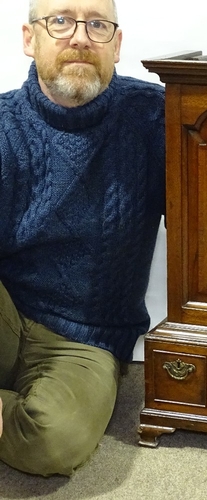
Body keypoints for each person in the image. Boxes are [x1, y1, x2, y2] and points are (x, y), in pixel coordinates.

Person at [0, 0, 165, 476]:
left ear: (116, 43)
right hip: (5, 311)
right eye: (60, 20)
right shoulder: (5, 126)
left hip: (84, 340)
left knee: (53, 442)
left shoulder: (155, 118)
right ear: (30, 40)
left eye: (97, 24)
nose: (79, 36)